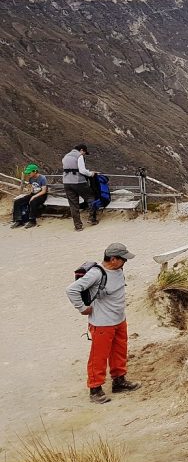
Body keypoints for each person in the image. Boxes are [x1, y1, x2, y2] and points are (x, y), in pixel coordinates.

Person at [66, 242, 141, 404]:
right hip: (102, 323)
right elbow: (71, 290)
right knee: (98, 356)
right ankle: (95, 389)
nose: (125, 262)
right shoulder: (96, 274)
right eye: (124, 259)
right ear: (113, 259)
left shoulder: (118, 270)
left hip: (119, 320)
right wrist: (82, 308)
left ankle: (119, 381)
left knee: (119, 351)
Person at [61, 143, 97, 231]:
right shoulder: (79, 156)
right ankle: (92, 219)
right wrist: (91, 173)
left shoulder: (66, 156)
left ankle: (78, 226)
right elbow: (82, 170)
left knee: (73, 205)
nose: (84, 154)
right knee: (91, 198)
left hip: (66, 182)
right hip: (78, 181)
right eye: (84, 152)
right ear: (81, 150)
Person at [11, 164, 48, 228]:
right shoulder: (31, 178)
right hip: (33, 194)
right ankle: (18, 220)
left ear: (35, 171)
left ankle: (32, 221)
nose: (28, 174)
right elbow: (32, 188)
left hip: (42, 195)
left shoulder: (42, 178)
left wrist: (33, 196)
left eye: (29, 172)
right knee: (17, 202)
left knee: (33, 202)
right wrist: (30, 194)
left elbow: (44, 191)